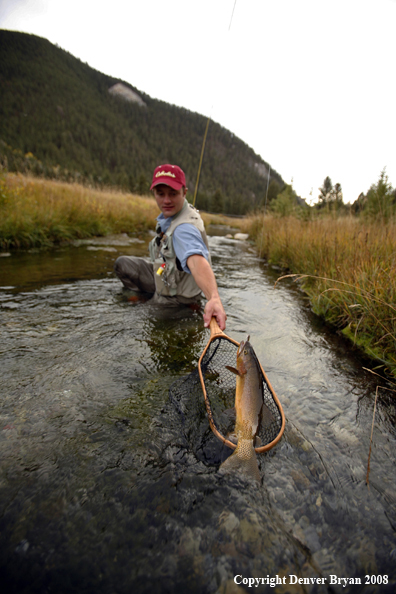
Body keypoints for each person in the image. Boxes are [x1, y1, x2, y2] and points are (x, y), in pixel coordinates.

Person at [114, 164, 227, 330]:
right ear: (154, 193)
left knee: (143, 321)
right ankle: (144, 296)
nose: (166, 200)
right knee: (123, 265)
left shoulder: (184, 229)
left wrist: (214, 298)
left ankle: (185, 309)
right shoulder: (172, 216)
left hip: (179, 297)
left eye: (173, 194)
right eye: (161, 194)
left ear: (184, 192)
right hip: (165, 277)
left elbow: (197, 262)